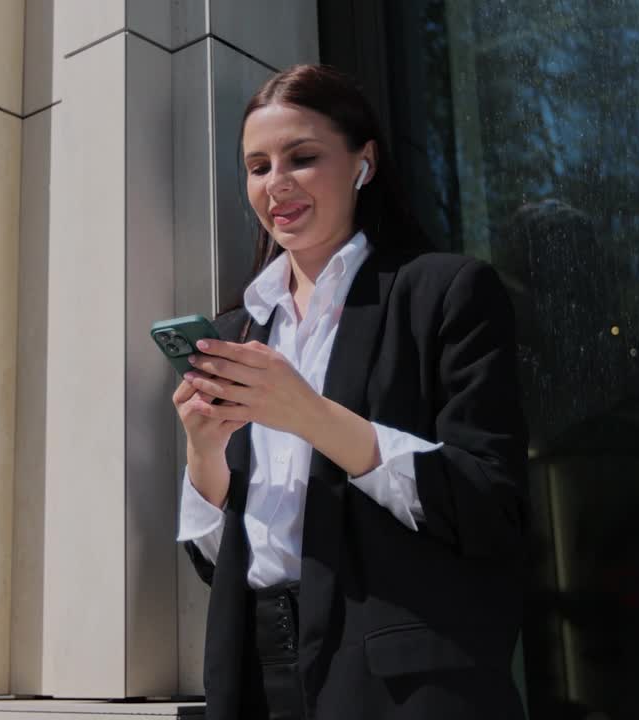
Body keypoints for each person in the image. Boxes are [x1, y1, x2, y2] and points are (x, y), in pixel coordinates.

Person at [172, 64, 529, 720]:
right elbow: (222, 562)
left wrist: (308, 414)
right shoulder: (240, 330)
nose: (275, 184)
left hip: (399, 685)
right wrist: (203, 453)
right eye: (257, 166)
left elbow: (488, 504)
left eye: (301, 158)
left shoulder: (443, 294)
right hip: (256, 677)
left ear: (363, 164)